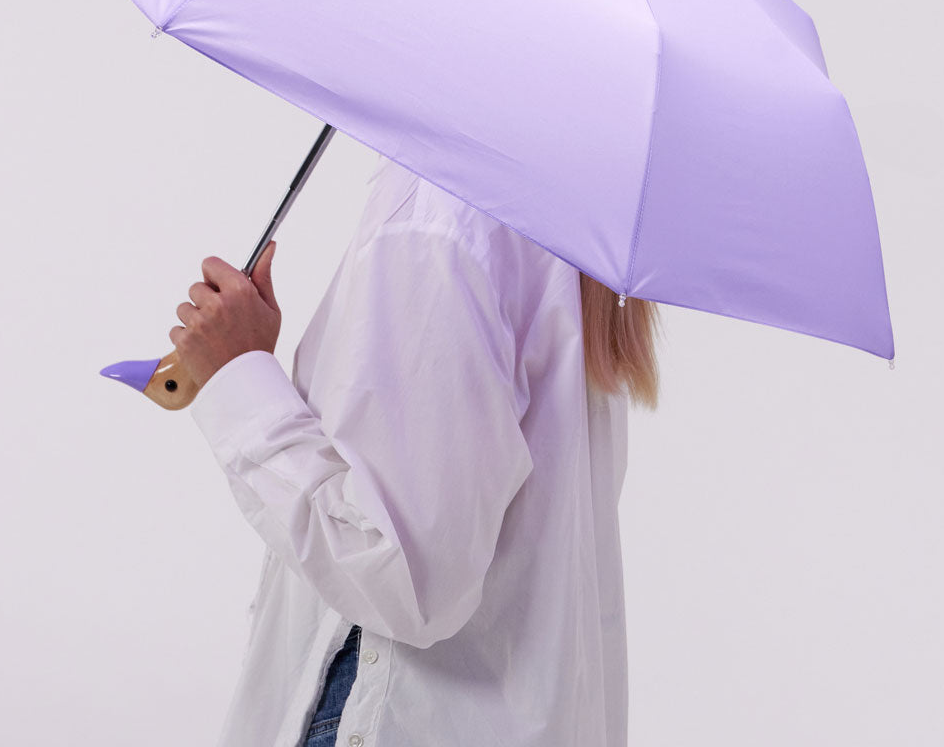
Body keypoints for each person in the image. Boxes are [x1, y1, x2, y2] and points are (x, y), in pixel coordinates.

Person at [172, 152, 662, 747]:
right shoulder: (561, 204)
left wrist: (241, 378)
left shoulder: (440, 210)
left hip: (392, 708)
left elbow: (404, 576)